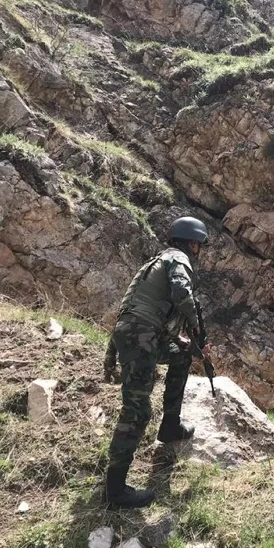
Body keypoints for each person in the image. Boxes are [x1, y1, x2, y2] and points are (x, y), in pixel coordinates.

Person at [104, 216, 211, 508]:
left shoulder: (154, 263)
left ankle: (171, 426)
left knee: (182, 357)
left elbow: (144, 310)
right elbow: (181, 293)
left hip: (138, 335)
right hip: (141, 337)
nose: (199, 250)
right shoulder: (178, 259)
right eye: (199, 245)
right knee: (137, 411)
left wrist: (182, 342)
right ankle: (115, 491)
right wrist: (196, 328)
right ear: (192, 243)